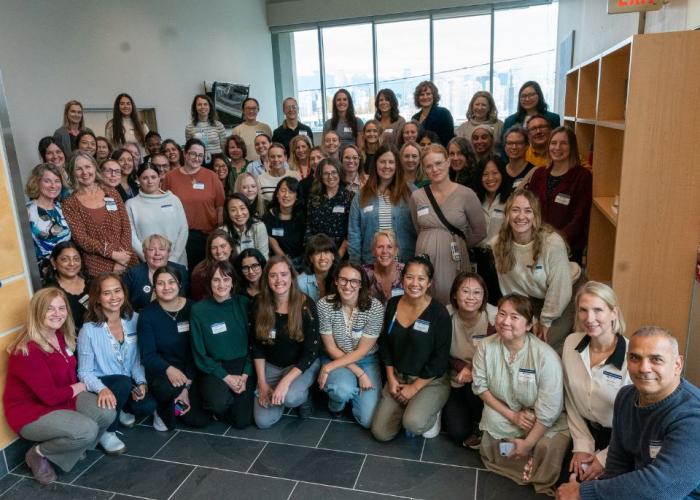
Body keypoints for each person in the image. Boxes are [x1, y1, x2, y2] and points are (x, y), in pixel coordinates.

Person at [558, 327, 700, 500]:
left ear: (677, 364)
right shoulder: (625, 397)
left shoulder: (693, 415)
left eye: (656, 359)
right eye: (635, 358)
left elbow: (663, 489)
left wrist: (583, 492)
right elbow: (617, 465)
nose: (644, 368)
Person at [3, 288, 116, 484]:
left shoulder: (60, 335)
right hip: (31, 412)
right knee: (87, 430)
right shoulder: (27, 350)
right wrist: (79, 387)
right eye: (50, 308)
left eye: (61, 308)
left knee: (107, 411)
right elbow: (50, 397)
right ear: (37, 311)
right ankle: (38, 454)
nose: (57, 313)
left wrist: (79, 387)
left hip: (63, 397)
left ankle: (73, 448)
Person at [472, 294, 569, 496]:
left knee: (545, 445)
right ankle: (520, 463)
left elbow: (550, 409)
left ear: (529, 325)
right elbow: (480, 387)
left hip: (540, 417)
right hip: (507, 410)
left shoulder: (545, 356)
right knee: (491, 420)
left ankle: (532, 466)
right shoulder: (485, 346)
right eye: (502, 314)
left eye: (515, 317)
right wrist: (513, 416)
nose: (505, 321)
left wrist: (528, 442)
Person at [491, 189, 582, 354]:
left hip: (567, 292)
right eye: (515, 210)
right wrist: (530, 319)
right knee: (519, 336)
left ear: (536, 216)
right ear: (507, 215)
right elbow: (511, 290)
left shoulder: (552, 243)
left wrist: (545, 321)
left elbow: (559, 289)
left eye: (528, 211)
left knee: (546, 343)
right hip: (534, 297)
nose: (521, 216)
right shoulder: (498, 244)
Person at [371, 255, 451, 441]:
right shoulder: (393, 304)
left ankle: (429, 410)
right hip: (398, 378)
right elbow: (385, 344)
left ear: (429, 283)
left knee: (413, 424)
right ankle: (411, 407)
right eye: (409, 277)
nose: (415, 283)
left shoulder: (439, 313)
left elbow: (440, 359)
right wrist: (391, 379)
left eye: (421, 278)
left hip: (429, 381)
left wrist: (414, 388)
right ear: (402, 279)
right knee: (381, 433)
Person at [77, 273, 157, 453]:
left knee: (147, 405)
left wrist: (141, 383)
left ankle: (118, 409)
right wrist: (102, 389)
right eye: (107, 293)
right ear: (98, 298)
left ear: (124, 293)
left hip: (127, 381)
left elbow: (136, 360)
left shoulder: (134, 320)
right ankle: (107, 431)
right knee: (122, 383)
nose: (114, 297)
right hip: (103, 383)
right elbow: (84, 372)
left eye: (117, 291)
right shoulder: (88, 330)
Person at [561, 281, 630, 483]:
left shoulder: (632, 357)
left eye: (598, 310)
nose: (589, 319)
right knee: (567, 484)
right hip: (584, 430)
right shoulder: (571, 343)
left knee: (594, 491)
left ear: (614, 313)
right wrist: (582, 445)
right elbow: (570, 399)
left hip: (621, 439)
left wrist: (603, 458)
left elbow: (633, 421)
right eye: (583, 310)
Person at [409, 144, 486, 305]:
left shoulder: (467, 194)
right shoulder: (417, 196)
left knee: (454, 300)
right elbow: (417, 228)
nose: (434, 169)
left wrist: (458, 243)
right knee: (423, 302)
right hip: (425, 259)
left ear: (448, 162)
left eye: (438, 163)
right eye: (429, 166)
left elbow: (480, 231)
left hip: (454, 260)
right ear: (424, 169)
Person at [137, 265, 211, 431]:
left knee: (199, 419)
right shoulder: (147, 315)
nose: (166, 287)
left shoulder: (193, 308)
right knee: (168, 401)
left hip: (192, 368)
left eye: (171, 282)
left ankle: (176, 403)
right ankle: (161, 408)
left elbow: (199, 348)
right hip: (162, 370)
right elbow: (148, 356)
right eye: (160, 283)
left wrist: (186, 384)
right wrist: (168, 369)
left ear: (180, 284)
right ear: (154, 287)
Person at [252, 256, 321, 428]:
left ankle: (302, 396)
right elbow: (257, 346)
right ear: (267, 278)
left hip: (300, 365)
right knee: (263, 422)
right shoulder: (259, 303)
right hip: (271, 366)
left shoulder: (306, 305)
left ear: (292, 276)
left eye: (283, 274)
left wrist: (285, 382)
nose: (279, 280)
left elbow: (311, 352)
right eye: (273, 275)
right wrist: (262, 383)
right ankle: (281, 396)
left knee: (291, 397)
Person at [317, 263, 384, 427]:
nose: (348, 286)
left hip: (366, 359)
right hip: (335, 357)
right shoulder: (324, 305)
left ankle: (352, 393)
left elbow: (362, 351)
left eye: (354, 281)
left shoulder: (375, 307)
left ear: (361, 284)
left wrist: (329, 368)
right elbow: (331, 348)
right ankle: (337, 405)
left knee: (368, 420)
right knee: (341, 390)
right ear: (336, 281)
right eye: (343, 280)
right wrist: (360, 374)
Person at [190, 260, 255, 428]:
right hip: (214, 366)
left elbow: (254, 344)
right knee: (217, 404)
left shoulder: (244, 303)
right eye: (216, 280)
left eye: (226, 279)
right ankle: (214, 398)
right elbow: (199, 353)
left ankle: (232, 401)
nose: (221, 284)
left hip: (243, 365)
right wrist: (226, 378)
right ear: (209, 282)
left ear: (233, 282)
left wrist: (245, 375)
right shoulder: (198, 310)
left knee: (242, 422)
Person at [443, 272, 496, 447]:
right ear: (455, 294)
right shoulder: (445, 316)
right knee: (457, 432)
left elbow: (496, 354)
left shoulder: (494, 318)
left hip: (485, 380)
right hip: (456, 378)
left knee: (475, 390)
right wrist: (463, 368)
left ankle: (481, 423)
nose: (471, 297)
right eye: (465, 291)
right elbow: (441, 353)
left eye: (477, 292)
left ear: (484, 296)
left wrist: (472, 369)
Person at [63, 152, 137, 277]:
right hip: (97, 265)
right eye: (78, 169)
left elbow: (125, 226)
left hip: (126, 258)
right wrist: (112, 254)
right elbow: (81, 239)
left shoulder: (111, 192)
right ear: (72, 173)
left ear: (94, 168)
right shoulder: (70, 203)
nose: (85, 172)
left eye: (88, 167)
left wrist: (122, 257)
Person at [528, 126, 592, 264]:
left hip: (567, 247)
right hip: (536, 243)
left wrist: (555, 241)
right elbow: (529, 207)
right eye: (553, 143)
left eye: (563, 143)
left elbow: (580, 217)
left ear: (572, 147)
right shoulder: (539, 174)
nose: (557, 147)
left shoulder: (582, 176)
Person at [162, 138, 225, 271]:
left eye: (200, 155)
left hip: (206, 236)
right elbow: (163, 206)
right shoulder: (170, 177)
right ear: (185, 153)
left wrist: (219, 232)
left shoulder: (212, 176)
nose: (197, 158)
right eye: (193, 154)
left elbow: (220, 206)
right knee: (181, 273)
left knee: (205, 273)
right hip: (179, 238)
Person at [349, 144, 416, 264]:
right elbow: (354, 234)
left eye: (391, 162)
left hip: (404, 263)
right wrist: (356, 265)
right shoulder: (361, 196)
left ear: (397, 165)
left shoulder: (411, 192)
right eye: (382, 162)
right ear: (375, 164)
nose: (387, 166)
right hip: (371, 264)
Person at [126, 162, 188, 266]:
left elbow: (183, 229)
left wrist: (174, 257)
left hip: (176, 261)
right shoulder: (131, 204)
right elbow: (132, 236)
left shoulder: (173, 199)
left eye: (153, 177)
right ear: (138, 180)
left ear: (159, 178)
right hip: (148, 264)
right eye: (145, 178)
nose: (150, 181)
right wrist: (149, 258)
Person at [472, 158, 510, 304]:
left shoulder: (510, 200)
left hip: (500, 259)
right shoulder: (474, 199)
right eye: (485, 174)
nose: (490, 178)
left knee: (499, 301)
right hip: (476, 259)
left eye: (495, 173)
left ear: (502, 174)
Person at [25, 163, 71, 280]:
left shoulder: (62, 208)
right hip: (43, 276)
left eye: (57, 181)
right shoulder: (28, 211)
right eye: (47, 181)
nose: (53, 185)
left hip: (69, 271)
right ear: (37, 182)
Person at [122, 234, 189, 312]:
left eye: (162, 249)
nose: (157, 253)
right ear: (144, 253)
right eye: (151, 249)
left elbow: (186, 299)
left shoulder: (181, 270)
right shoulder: (133, 273)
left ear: (168, 253)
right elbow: (125, 302)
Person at [305, 158, 354, 257]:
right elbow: (309, 227)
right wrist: (314, 253)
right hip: (318, 251)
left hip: (342, 252)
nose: (330, 176)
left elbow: (351, 230)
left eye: (334, 172)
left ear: (340, 173)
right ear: (321, 176)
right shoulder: (314, 198)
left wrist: (338, 256)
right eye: (326, 173)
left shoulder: (350, 197)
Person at [262, 176, 306, 268]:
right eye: (283, 190)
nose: (286, 195)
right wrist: (288, 264)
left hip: (302, 261)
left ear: (297, 196)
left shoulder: (304, 216)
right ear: (277, 194)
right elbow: (274, 246)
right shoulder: (268, 217)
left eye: (291, 192)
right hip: (278, 262)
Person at [45, 242, 90, 330]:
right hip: (68, 337)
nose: (72, 263)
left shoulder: (92, 283)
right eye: (65, 259)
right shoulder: (49, 292)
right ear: (53, 262)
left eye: (76, 259)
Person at [189, 229, 235, 301]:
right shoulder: (200, 272)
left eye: (223, 246)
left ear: (231, 247)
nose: (219, 251)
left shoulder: (238, 264)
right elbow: (199, 302)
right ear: (209, 250)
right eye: (214, 248)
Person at [220, 193, 269, 258]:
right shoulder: (222, 231)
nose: (239, 213)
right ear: (227, 213)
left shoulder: (259, 227)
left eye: (242, 208)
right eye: (233, 210)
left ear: (248, 209)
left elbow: (264, 257)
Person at [363, 230, 405, 305]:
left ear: (396, 251)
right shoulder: (364, 273)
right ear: (373, 251)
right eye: (380, 247)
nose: (385, 251)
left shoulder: (405, 271)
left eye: (389, 247)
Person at [411, 81, 454, 147]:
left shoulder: (444, 113)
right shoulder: (415, 118)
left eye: (428, 94)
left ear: (434, 96)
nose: (425, 97)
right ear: (417, 98)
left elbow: (448, 139)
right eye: (422, 94)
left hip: (438, 151)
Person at [184, 94, 226, 162]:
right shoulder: (189, 128)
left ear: (210, 107)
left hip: (217, 161)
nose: (202, 107)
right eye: (199, 104)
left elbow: (224, 147)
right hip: (198, 161)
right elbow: (190, 149)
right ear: (195, 108)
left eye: (205, 104)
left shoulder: (219, 125)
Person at [297, 233, 338, 302]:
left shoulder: (339, 279)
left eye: (326, 252)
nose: (322, 257)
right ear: (311, 258)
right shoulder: (300, 283)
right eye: (317, 253)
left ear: (333, 256)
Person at [502, 126, 535, 190]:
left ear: (527, 146)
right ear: (505, 146)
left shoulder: (535, 173)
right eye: (510, 143)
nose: (514, 147)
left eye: (519, 143)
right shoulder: (499, 171)